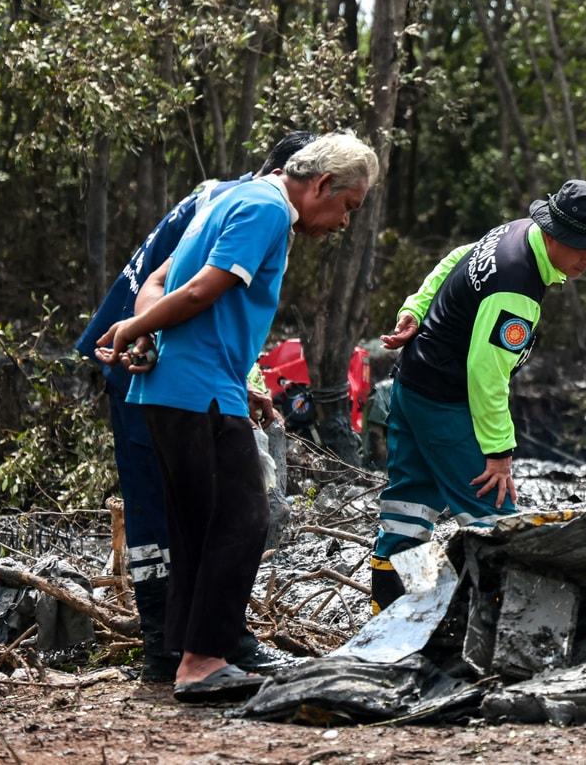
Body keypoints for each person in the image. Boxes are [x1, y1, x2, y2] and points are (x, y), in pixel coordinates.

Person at [97, 133, 379, 702]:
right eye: (347, 207)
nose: (344, 223)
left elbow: (161, 281)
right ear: (322, 184)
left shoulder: (228, 197)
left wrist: (156, 336)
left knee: (199, 526)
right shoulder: (269, 209)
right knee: (241, 520)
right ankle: (203, 662)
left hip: (182, 386)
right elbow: (202, 290)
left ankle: (188, 654)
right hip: (197, 391)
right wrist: (134, 329)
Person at [74, 132, 314, 682]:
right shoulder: (245, 204)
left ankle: (202, 644)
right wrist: (143, 337)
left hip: (163, 352)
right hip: (140, 357)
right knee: (178, 509)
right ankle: (171, 644)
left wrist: (243, 378)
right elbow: (165, 285)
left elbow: (214, 315)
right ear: (293, 175)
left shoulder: (242, 202)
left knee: (202, 508)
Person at [369, 180, 586, 614]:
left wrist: (414, 306)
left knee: (408, 505)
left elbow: (455, 259)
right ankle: (503, 621)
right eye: (582, 246)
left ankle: (388, 614)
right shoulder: (517, 289)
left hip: (411, 383)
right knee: (495, 518)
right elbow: (486, 375)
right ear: (554, 233)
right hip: (446, 402)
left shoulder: (514, 232)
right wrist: (499, 452)